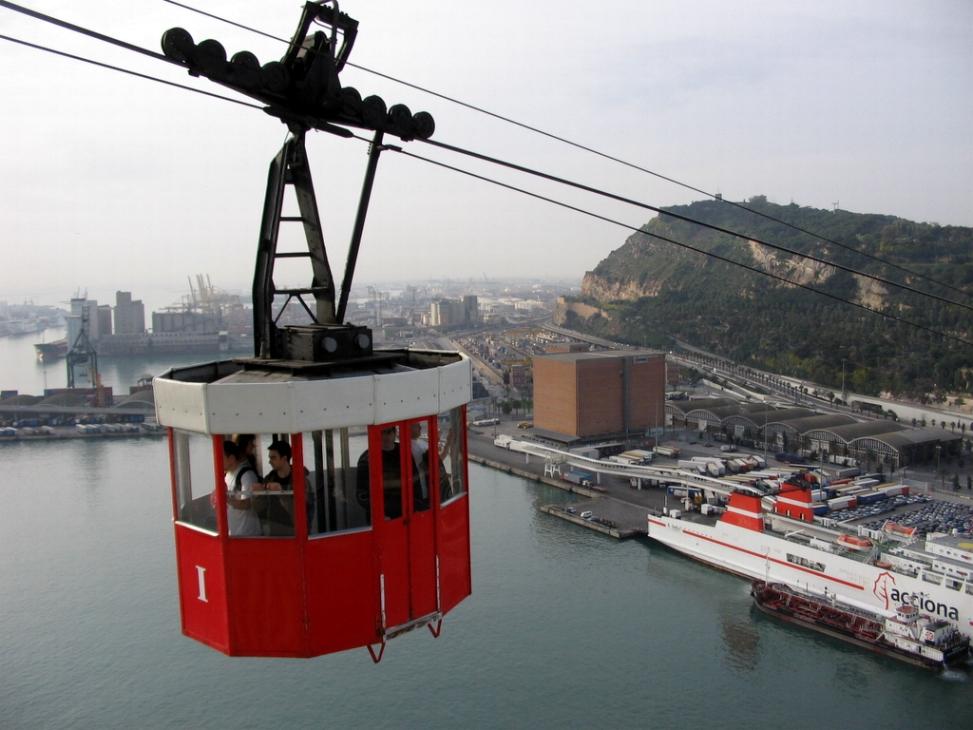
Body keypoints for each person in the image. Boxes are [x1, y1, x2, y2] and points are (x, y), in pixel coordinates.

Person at [357, 426, 418, 520]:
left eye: (389, 432)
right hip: (382, 517)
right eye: (382, 433)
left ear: (395, 433)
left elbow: (415, 481)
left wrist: (416, 507)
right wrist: (379, 514)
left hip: (405, 513)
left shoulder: (404, 451)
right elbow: (362, 494)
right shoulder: (367, 458)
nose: (386, 436)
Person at [262, 440, 312, 535]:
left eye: (273, 458)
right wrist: (257, 495)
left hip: (296, 533)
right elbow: (261, 509)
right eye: (269, 458)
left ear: (284, 458)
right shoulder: (268, 479)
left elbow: (302, 510)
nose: (269, 461)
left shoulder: (301, 481)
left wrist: (281, 494)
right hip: (275, 534)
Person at [221, 439, 261, 536]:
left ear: (231, 458)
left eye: (221, 458)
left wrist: (225, 499)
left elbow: (247, 504)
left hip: (248, 534)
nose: (217, 461)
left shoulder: (246, 475)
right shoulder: (227, 475)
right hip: (234, 533)